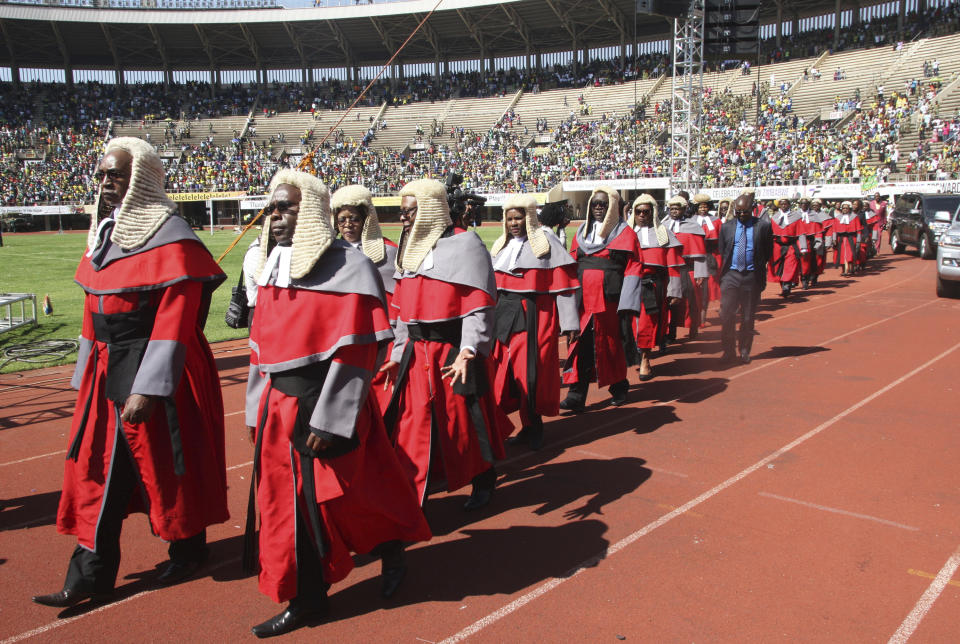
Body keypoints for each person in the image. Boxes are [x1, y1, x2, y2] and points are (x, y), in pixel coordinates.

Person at [34, 137, 228, 609]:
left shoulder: (173, 235)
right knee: (96, 468)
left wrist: (148, 387)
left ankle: (187, 550)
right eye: (101, 174)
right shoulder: (104, 234)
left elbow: (176, 318)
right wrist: (84, 374)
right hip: (106, 369)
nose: (104, 182)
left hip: (156, 369)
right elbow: (91, 309)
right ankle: (90, 573)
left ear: (139, 177)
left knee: (167, 465)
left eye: (114, 174)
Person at [244, 170, 430, 638]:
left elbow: (357, 351)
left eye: (285, 207)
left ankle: (392, 550)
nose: (276, 216)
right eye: (273, 207)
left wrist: (331, 421)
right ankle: (308, 598)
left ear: (308, 210)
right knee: (293, 506)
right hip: (280, 405)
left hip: (329, 404)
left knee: (358, 496)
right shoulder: (271, 265)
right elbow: (259, 345)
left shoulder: (351, 265)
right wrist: (255, 408)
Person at [380, 178, 511, 511]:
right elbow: (402, 312)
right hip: (416, 351)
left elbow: (478, 303)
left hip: (454, 351)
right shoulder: (407, 248)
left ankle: (484, 477)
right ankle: (415, 495)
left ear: (430, 210)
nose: (404, 219)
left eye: (410, 212)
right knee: (414, 422)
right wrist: (397, 354)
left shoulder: (466, 244)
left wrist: (469, 349)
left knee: (466, 420)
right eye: (402, 212)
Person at [490, 194, 579, 450]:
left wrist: (571, 323)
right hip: (504, 313)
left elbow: (563, 286)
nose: (514, 223)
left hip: (534, 314)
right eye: (509, 219)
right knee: (501, 371)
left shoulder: (546, 241)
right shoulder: (500, 245)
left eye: (518, 218)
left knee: (531, 372)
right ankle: (505, 424)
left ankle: (533, 425)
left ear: (528, 218)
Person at [560, 186, 643, 412]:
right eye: (594, 203)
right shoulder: (581, 233)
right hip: (583, 300)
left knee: (609, 345)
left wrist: (628, 301)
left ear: (613, 207)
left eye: (603, 204)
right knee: (579, 345)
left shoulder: (625, 233)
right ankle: (576, 394)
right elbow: (572, 262)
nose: (598, 207)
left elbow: (634, 267)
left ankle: (619, 387)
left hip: (610, 301)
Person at [330, 184, 399, 412]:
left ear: (366, 220)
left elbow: (396, 296)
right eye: (342, 219)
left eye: (354, 219)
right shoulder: (329, 253)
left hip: (378, 334)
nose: (347, 225)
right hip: (341, 336)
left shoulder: (388, 251)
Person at [626, 194, 684, 380]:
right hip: (628, 284)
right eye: (638, 211)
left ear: (653, 213)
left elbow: (673, 264)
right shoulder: (625, 233)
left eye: (646, 211)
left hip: (653, 284)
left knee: (647, 323)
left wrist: (674, 289)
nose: (642, 215)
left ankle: (645, 359)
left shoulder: (664, 233)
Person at [718, 193, 774, 364]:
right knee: (727, 315)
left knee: (748, 317)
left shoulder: (763, 227)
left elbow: (767, 252)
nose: (741, 215)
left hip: (751, 277)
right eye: (739, 212)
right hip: (731, 275)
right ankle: (728, 351)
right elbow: (723, 250)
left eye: (745, 212)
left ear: (752, 210)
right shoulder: (727, 227)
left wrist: (756, 269)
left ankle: (744, 350)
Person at [664, 195, 708, 341]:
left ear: (684, 209)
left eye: (677, 208)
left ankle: (693, 327)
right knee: (670, 303)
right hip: (669, 270)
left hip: (688, 269)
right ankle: (671, 332)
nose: (674, 211)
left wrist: (700, 273)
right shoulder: (663, 225)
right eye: (672, 209)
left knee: (692, 302)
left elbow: (699, 253)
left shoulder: (693, 226)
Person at [692, 193, 721, 324]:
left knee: (708, 288)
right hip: (694, 257)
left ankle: (702, 317)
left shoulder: (716, 221)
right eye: (700, 207)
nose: (703, 209)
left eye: (705, 207)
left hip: (711, 256)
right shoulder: (691, 221)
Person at [768, 198, 802, 297]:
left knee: (790, 265)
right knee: (778, 267)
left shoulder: (796, 217)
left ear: (789, 205)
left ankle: (786, 286)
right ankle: (783, 285)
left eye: (785, 204)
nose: (783, 206)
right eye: (781, 204)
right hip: (777, 246)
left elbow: (801, 233)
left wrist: (803, 248)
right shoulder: (774, 217)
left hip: (791, 245)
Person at [795, 198, 822, 289]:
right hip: (796, 240)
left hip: (809, 240)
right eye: (802, 203)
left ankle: (805, 279)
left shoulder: (814, 215)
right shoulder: (794, 215)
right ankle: (794, 280)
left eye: (806, 203)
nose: (804, 205)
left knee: (806, 261)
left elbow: (818, 230)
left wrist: (818, 242)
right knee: (795, 261)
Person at [833, 201, 862, 277]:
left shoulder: (854, 217)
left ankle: (851, 268)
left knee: (850, 254)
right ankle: (844, 270)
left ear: (849, 209)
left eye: (847, 208)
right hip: (841, 239)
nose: (845, 209)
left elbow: (858, 230)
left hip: (852, 237)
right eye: (843, 208)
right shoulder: (837, 218)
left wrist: (859, 240)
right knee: (842, 255)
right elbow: (834, 230)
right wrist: (834, 239)